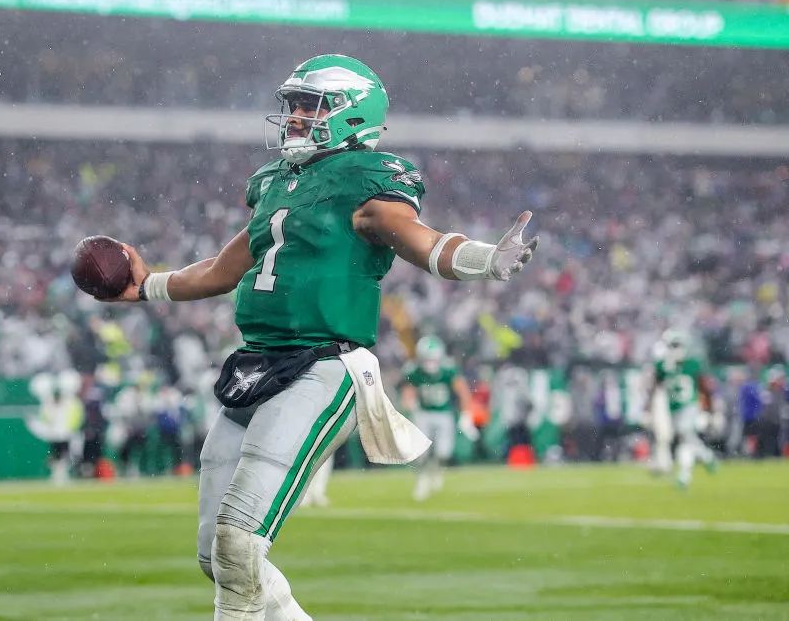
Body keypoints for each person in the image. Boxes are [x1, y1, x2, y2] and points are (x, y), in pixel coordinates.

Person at [98, 54, 538, 620]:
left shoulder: (366, 180)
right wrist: (146, 288)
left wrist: (484, 259)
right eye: (294, 105)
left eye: (312, 105)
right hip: (258, 365)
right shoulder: (278, 183)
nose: (297, 117)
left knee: (241, 542)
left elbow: (416, 237)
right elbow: (222, 269)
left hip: (322, 365)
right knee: (217, 554)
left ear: (354, 115)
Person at [400, 335, 475, 501]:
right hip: (423, 413)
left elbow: (462, 391)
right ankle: (422, 479)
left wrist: (466, 414)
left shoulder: (447, 369)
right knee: (420, 451)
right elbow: (408, 392)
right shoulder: (414, 369)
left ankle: (436, 471)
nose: (430, 363)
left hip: (443, 413)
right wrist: (410, 403)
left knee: (443, 452)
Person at [647, 329, 718, 489]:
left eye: (677, 345)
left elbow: (704, 388)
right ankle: (705, 459)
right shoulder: (663, 366)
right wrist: (649, 407)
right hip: (673, 410)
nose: (675, 349)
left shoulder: (692, 363)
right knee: (685, 440)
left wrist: (709, 409)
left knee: (685, 436)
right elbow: (655, 387)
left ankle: (688, 473)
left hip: (690, 407)